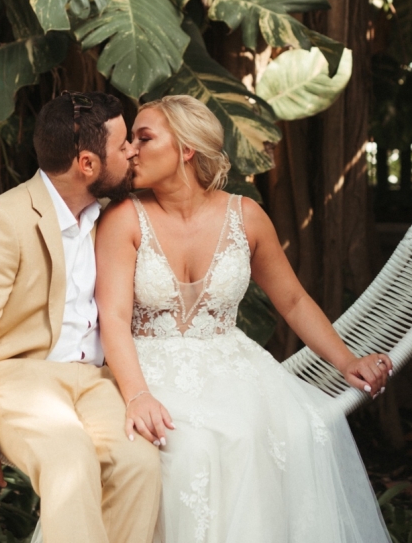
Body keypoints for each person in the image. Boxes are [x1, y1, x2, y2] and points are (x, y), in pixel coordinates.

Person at [96, 95, 393, 543]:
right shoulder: (123, 219)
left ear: (186, 148)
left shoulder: (246, 216)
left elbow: (291, 300)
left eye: (144, 137)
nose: (130, 150)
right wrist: (137, 395)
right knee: (190, 449)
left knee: (289, 430)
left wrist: (346, 361)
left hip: (233, 366)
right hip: (148, 372)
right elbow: (113, 318)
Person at [0, 91, 161, 543]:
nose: (133, 150)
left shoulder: (113, 217)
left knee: (140, 463)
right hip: (17, 377)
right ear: (87, 165)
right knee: (69, 462)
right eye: (123, 143)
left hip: (94, 380)